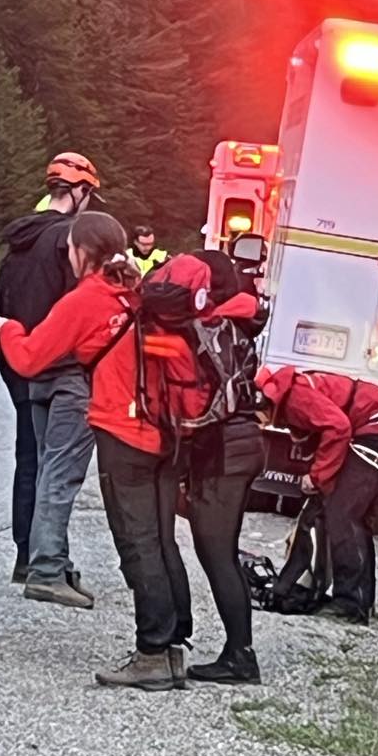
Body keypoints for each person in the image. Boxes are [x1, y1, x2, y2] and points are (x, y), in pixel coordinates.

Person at [0, 214, 191, 691]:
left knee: (136, 542)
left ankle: (152, 654)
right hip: (162, 427)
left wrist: (8, 329)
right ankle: (172, 647)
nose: (67, 256)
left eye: (70, 249)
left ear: (82, 252)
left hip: (122, 429)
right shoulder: (135, 287)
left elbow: (30, 358)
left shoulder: (87, 299)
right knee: (160, 539)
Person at [148, 252, 267, 684]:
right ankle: (237, 652)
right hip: (243, 443)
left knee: (218, 556)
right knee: (219, 553)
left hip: (224, 450)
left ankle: (241, 657)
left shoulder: (206, 327)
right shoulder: (234, 323)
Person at [0, 152, 104, 605]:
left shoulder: (22, 239)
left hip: (19, 363)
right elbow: (80, 308)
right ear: (80, 192)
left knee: (31, 460)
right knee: (56, 469)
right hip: (60, 366)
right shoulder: (68, 241)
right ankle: (46, 564)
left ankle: (30, 555)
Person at [254, 365, 378, 624]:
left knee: (342, 514)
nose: (257, 424)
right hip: (376, 424)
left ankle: (350, 604)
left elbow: (337, 428)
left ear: (262, 402)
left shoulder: (294, 399)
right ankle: (359, 600)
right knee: (348, 515)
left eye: (254, 418)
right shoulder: (290, 394)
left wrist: (317, 477)